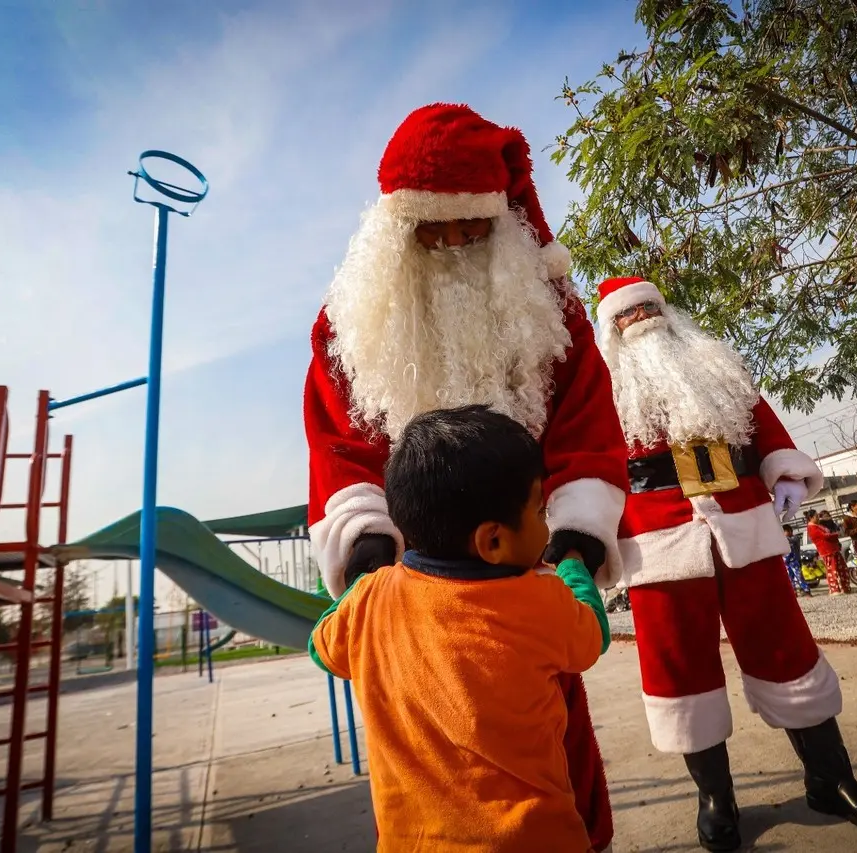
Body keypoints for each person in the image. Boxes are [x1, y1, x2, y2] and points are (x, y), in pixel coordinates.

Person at [304, 103, 628, 848]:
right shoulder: (347, 325)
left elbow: (585, 424)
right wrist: (366, 561)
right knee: (417, 752)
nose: (450, 244)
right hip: (407, 582)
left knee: (552, 737)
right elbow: (339, 444)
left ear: (501, 222)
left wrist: (573, 540)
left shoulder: (552, 313)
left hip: (521, 563)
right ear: (397, 230)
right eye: (431, 230)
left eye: (471, 228)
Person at [595, 276, 857, 851]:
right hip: (656, 535)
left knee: (785, 646)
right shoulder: (600, 389)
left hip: (742, 517)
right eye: (627, 312)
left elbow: (763, 425)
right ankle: (716, 798)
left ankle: (831, 778)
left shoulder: (716, 363)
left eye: (649, 306)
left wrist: (784, 471)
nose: (641, 317)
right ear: (611, 327)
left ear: (666, 310)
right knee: (679, 670)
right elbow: (590, 466)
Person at [309, 406, 611, 851]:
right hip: (535, 838)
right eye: (539, 509)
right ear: (493, 541)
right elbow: (593, 635)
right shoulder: (540, 603)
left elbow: (322, 647)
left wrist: (357, 589)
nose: (547, 523)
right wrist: (572, 565)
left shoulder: (369, 600)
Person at [807, 509, 851, 595]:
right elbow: (825, 536)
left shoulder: (819, 525)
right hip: (827, 551)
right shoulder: (811, 528)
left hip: (834, 548)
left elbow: (829, 531)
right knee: (832, 570)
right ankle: (834, 589)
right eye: (816, 516)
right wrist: (836, 534)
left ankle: (845, 588)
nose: (818, 518)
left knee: (842, 568)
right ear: (811, 518)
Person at [783, 523, 812, 596]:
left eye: (784, 532)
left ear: (790, 531)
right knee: (790, 578)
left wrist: (781, 537)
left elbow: (790, 541)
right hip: (787, 562)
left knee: (799, 576)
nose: (784, 534)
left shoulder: (795, 537)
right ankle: (794, 592)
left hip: (795, 561)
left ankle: (806, 590)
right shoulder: (785, 541)